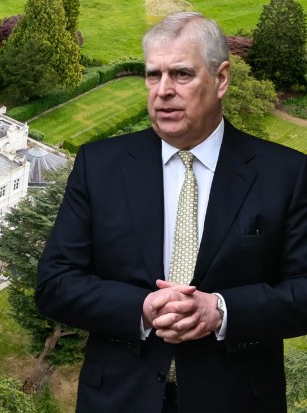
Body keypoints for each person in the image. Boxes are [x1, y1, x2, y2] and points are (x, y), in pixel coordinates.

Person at [36, 11, 307, 413]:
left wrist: (222, 312)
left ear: (222, 79)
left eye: (181, 74)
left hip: (236, 401)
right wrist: (140, 309)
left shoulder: (286, 173)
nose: (162, 90)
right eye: (152, 75)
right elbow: (55, 284)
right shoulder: (99, 165)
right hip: (118, 399)